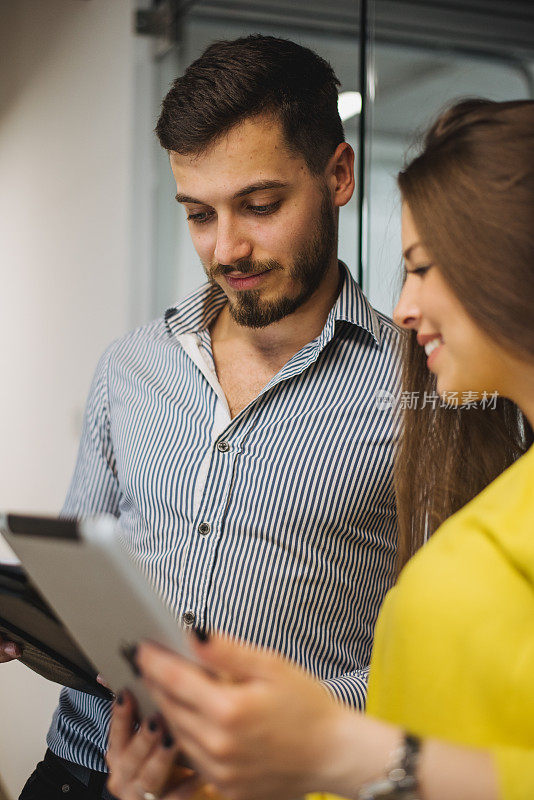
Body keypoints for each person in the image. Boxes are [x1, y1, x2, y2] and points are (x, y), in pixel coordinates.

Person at [1, 35, 402, 800]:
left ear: (339, 174)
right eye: (197, 214)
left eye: (260, 205)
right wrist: (29, 619)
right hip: (81, 769)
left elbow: (437, 649)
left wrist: (277, 726)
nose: (228, 248)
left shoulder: (421, 389)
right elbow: (82, 572)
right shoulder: (131, 366)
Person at [105, 98, 534, 800]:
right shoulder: (131, 364)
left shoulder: (425, 406)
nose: (405, 307)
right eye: (199, 214)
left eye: (424, 268)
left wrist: (340, 748)